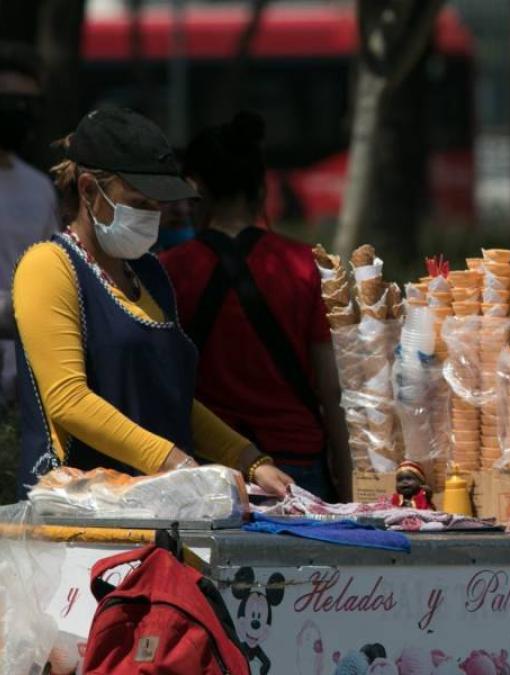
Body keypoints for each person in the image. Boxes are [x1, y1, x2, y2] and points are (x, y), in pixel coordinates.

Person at [12, 106, 293, 498]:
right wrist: (174, 462)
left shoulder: (150, 274)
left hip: (157, 504)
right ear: (89, 190)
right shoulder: (48, 266)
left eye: (158, 206)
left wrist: (248, 458)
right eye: (140, 203)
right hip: (82, 514)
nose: (154, 216)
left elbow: (169, 399)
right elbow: (67, 400)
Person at [159, 111, 350, 501]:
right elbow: (332, 390)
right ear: (262, 190)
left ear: (197, 190)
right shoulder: (305, 266)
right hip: (298, 462)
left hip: (210, 466)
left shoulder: (169, 272)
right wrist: (348, 488)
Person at [0, 42, 58, 405]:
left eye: (29, 104)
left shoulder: (39, 188)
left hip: (23, 382)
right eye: (8, 101)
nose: (19, 112)